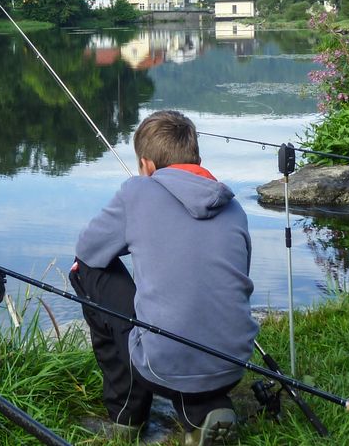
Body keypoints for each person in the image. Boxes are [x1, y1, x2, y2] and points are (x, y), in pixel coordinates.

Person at [70, 110, 258, 445]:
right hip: (233, 363)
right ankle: (204, 411)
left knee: (85, 270)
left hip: (161, 366)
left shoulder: (136, 193)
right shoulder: (234, 208)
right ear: (197, 160)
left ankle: (127, 415)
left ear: (146, 165)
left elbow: (88, 250)